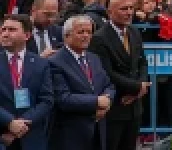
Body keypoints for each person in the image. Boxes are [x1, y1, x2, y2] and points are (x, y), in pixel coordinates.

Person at [89, 0, 148, 150]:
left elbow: (142, 62)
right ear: (110, 12)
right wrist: (136, 87)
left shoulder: (134, 32)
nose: (129, 12)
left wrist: (140, 88)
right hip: (114, 107)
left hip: (134, 107)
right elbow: (107, 73)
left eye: (131, 8)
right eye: (124, 9)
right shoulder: (99, 38)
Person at [49, 15, 114, 150]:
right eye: (81, 32)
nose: (86, 36)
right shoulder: (55, 62)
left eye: (89, 32)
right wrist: (96, 102)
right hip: (71, 135)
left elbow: (108, 84)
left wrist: (107, 100)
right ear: (67, 36)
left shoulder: (94, 58)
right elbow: (63, 99)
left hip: (98, 131)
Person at [0, 14, 54, 150]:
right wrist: (9, 122)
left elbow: (46, 100)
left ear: (27, 35)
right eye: (3, 29)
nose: (5, 34)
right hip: (2, 136)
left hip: (31, 137)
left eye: (12, 30)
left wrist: (22, 124)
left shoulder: (41, 64)